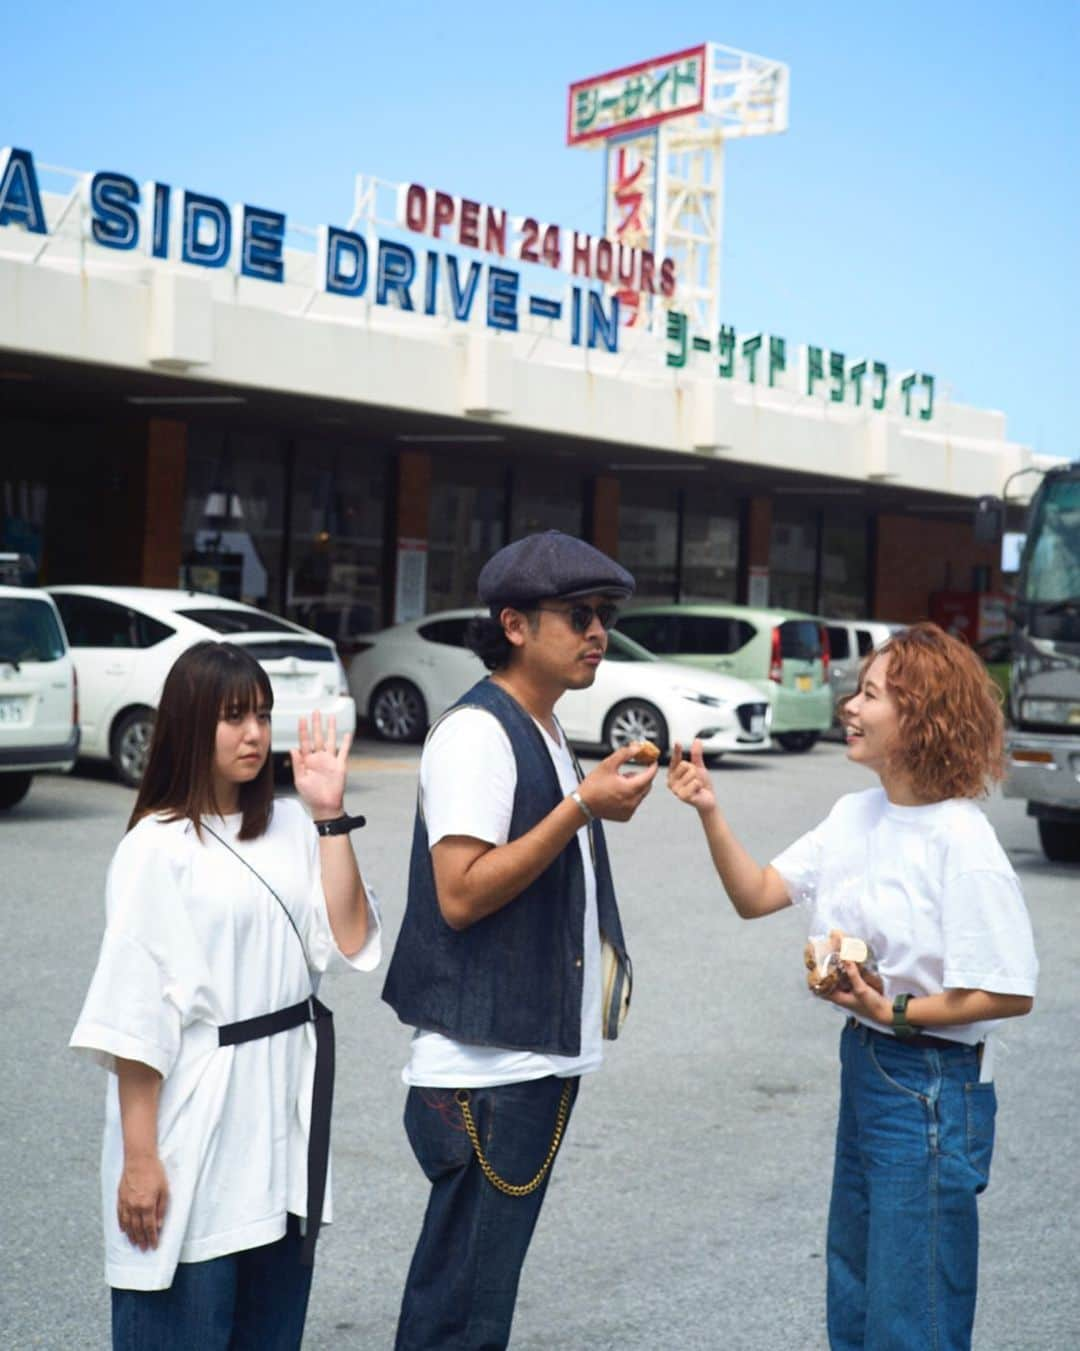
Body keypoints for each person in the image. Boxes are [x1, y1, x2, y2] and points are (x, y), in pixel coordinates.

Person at [667, 622, 1037, 1351]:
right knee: (858, 1290)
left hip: (931, 1077)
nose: (850, 706)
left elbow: (1008, 991)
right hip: (867, 1062)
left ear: (921, 715)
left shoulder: (961, 839)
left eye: (870, 694)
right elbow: (757, 893)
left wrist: (892, 1007)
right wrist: (710, 809)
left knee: (914, 1308)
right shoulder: (853, 814)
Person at [383, 530, 657, 1350]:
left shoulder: (538, 726)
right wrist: (580, 807)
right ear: (514, 623)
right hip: (486, 1074)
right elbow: (460, 892)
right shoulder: (479, 733)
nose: (598, 633)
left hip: (519, 1064)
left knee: (474, 1306)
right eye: (578, 614)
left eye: (603, 615)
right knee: (458, 1319)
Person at [70, 641, 381, 1350]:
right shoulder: (157, 846)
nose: (255, 734)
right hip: (197, 1123)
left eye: (263, 715)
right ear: (189, 725)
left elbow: (351, 936)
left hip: (279, 1124)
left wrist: (329, 814)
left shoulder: (294, 828)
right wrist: (140, 1157)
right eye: (234, 717)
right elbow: (135, 1011)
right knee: (182, 1319)